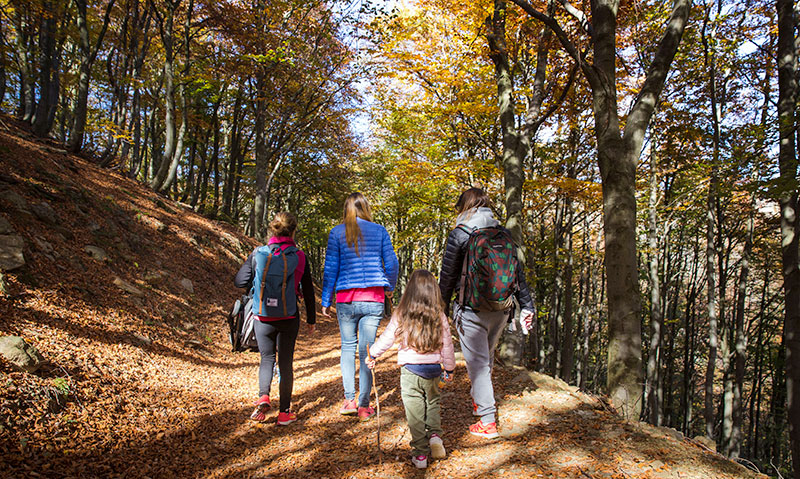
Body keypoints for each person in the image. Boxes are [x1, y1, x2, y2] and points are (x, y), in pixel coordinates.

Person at [438, 187, 535, 439]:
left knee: (478, 363)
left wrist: (440, 308)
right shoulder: (503, 233)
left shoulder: (460, 234)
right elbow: (518, 275)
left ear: (464, 207)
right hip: (501, 309)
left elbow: (448, 276)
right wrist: (527, 305)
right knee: (486, 357)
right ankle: (479, 400)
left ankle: (487, 419)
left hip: (471, 309)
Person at [321, 192, 399, 421]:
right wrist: (389, 286)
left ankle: (349, 400)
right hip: (373, 298)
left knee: (348, 348)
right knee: (368, 350)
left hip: (346, 299)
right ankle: (364, 406)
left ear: (346, 210)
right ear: (366, 208)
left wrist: (326, 300)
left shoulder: (337, 233)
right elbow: (392, 263)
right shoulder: (379, 231)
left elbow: (331, 269)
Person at [367, 269, 455, 469]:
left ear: (410, 290)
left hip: (410, 371)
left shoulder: (402, 313)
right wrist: (449, 368)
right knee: (432, 403)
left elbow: (388, 337)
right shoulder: (439, 315)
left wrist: (372, 354)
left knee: (415, 413)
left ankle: (420, 454)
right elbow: (447, 344)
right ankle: (435, 436)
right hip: (433, 370)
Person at [234, 212, 316, 426]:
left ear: (273, 229)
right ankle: (284, 413)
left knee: (267, 358)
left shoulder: (259, 253)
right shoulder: (299, 256)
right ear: (294, 231)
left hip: (263, 316)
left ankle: (263, 396)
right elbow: (308, 290)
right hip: (289, 315)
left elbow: (240, 281)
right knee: (286, 362)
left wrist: (257, 282)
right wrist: (311, 319)